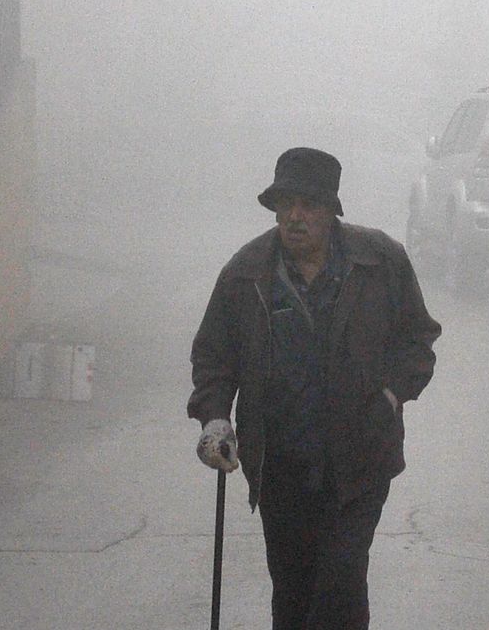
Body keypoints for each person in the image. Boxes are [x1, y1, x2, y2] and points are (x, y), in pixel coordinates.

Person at [189, 146, 441, 630]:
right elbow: (214, 356)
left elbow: (418, 341)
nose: (294, 217)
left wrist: (389, 397)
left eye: (308, 205)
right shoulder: (246, 272)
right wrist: (216, 418)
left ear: (331, 212)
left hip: (359, 460)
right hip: (280, 465)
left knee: (340, 586)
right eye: (285, 205)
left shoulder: (379, 261)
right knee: (293, 592)